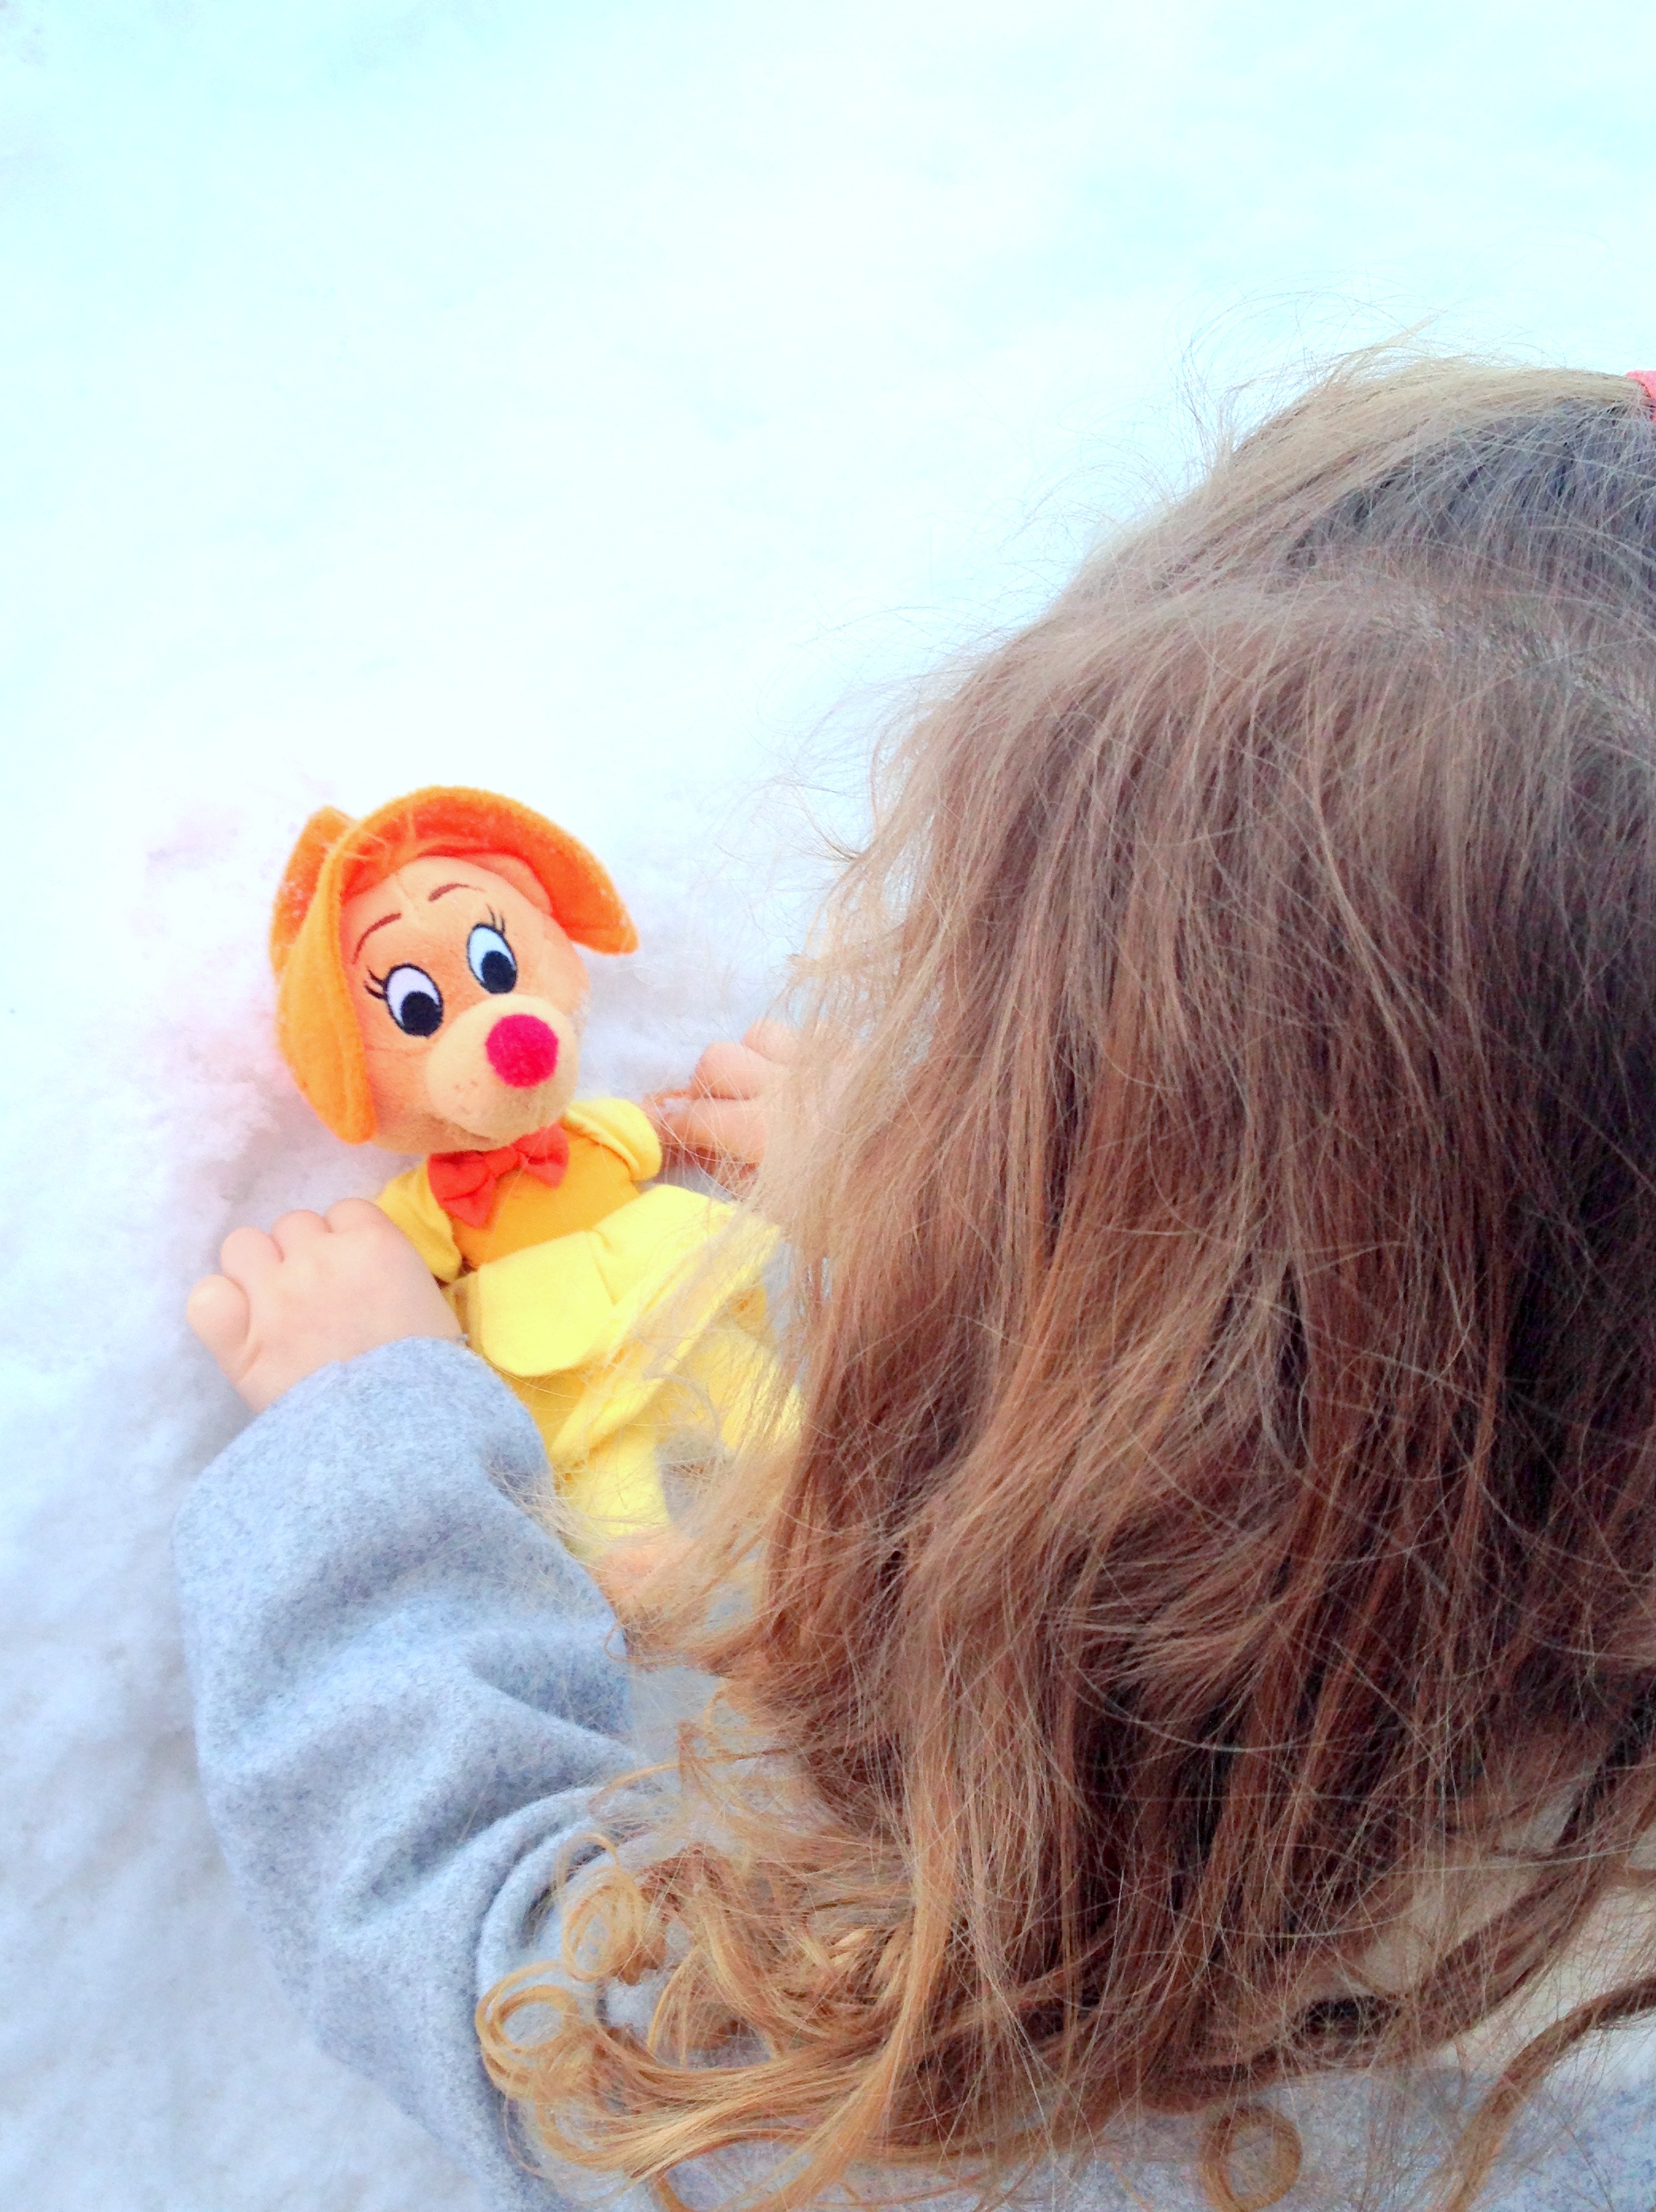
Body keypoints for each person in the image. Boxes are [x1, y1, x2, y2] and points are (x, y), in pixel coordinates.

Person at [180, 351, 1656, 2212]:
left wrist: (367, 1461)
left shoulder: (1041, 2084)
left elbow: (533, 1996)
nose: (937, 1099)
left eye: (1045, 1106)